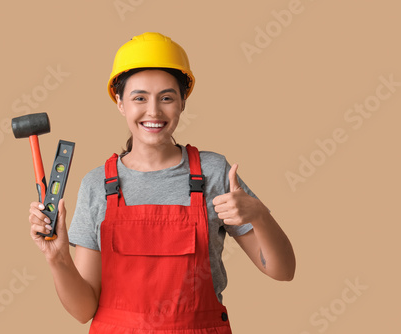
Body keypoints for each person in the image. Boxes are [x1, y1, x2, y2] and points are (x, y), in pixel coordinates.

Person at [28, 32, 296, 333]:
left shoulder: (214, 172)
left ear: (182, 102)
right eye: (139, 98)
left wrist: (259, 214)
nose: (153, 111)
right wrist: (58, 259)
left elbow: (282, 270)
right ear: (120, 102)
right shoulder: (96, 185)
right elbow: (83, 310)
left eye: (166, 97)